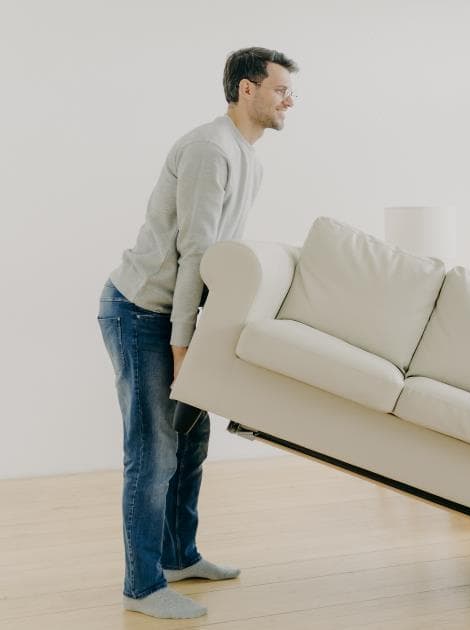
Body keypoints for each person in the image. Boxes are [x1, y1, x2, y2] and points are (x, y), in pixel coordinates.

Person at [97, 46, 298, 619]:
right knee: (153, 452)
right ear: (246, 91)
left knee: (192, 439)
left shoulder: (247, 157)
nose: (290, 100)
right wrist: (184, 350)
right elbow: (195, 254)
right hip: (141, 312)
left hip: (174, 315)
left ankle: (178, 555)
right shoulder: (213, 150)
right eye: (281, 89)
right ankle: (142, 587)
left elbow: (216, 262)